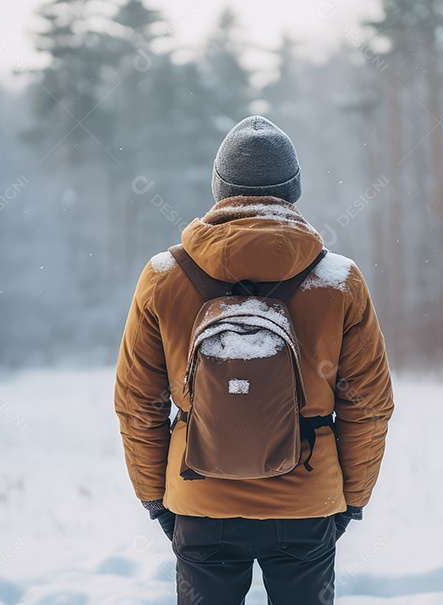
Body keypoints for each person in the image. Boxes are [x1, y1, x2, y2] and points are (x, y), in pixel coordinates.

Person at [114, 115, 394, 604]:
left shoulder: (163, 276)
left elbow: (138, 403)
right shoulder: (338, 280)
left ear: (220, 189)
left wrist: (156, 498)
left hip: (199, 497)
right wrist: (351, 500)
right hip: (307, 499)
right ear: (294, 191)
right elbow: (369, 405)